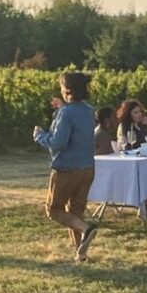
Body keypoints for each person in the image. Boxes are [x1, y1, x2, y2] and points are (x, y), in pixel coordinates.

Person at [33, 71, 101, 262]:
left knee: (54, 210)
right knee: (75, 213)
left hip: (66, 169)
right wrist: (62, 108)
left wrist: (39, 136)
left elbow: (58, 143)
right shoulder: (88, 111)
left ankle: (87, 229)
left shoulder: (66, 113)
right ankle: (81, 254)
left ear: (67, 89)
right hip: (87, 168)